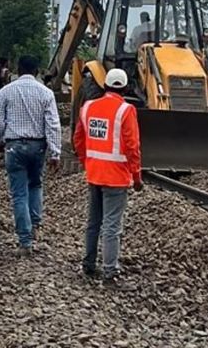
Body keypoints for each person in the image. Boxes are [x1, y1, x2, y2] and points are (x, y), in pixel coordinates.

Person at [72, 68, 143, 284]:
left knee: (94, 221)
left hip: (94, 174)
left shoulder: (88, 107)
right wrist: (137, 176)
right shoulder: (126, 110)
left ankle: (89, 264)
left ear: (105, 85)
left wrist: (87, 162)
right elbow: (133, 147)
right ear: (125, 87)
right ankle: (110, 270)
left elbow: (78, 139)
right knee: (112, 224)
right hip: (116, 178)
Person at [0, 55, 62, 256]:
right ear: (37, 71)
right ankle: (35, 223)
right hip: (38, 146)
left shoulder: (6, 91)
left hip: (14, 147)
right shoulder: (46, 93)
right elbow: (53, 125)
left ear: (17, 69)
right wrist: (55, 153)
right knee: (36, 184)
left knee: (19, 193)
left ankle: (25, 241)